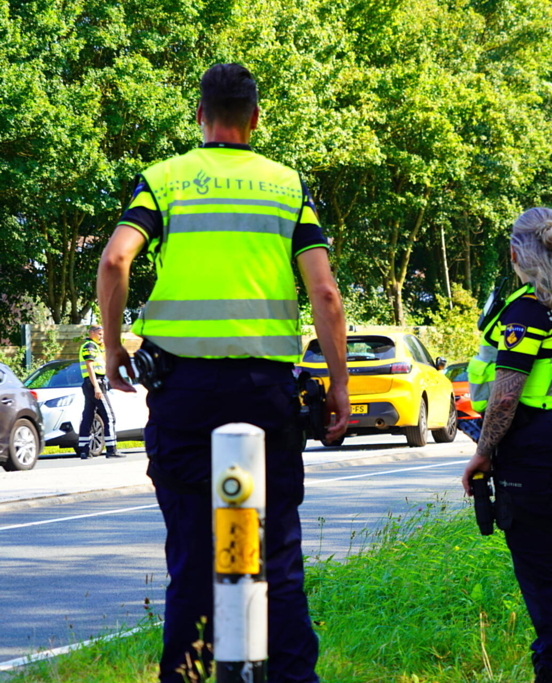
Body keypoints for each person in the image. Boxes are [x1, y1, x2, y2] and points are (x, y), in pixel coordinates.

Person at [96, 63, 350, 683]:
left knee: (191, 556)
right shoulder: (287, 186)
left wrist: (111, 353)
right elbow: (325, 296)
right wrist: (339, 384)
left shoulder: (164, 181)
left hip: (183, 395)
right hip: (266, 394)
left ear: (200, 117)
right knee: (276, 553)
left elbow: (113, 261)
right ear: (255, 119)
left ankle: (187, 677)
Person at [462, 207, 552, 683]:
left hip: (537, 449)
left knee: (545, 577)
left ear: (516, 252)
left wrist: (482, 450)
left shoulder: (527, 309)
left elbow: (505, 396)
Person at [77, 325, 120, 459]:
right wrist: (96, 387)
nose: (102, 337)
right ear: (92, 333)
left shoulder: (96, 347)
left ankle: (84, 450)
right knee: (110, 417)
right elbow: (89, 366)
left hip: (92, 384)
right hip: (95, 384)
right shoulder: (90, 346)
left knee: (88, 417)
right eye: (100, 334)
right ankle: (111, 449)